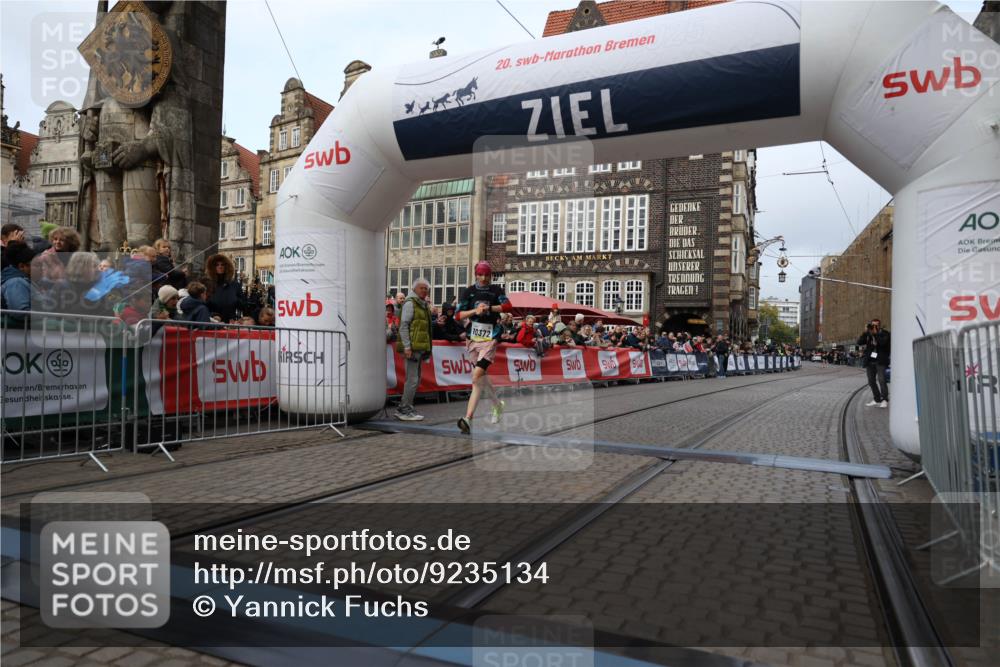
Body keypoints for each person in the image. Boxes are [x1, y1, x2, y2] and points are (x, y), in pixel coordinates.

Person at [455, 261, 511, 433]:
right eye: (480, 274)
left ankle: (468, 418)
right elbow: (458, 315)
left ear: (490, 275)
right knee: (481, 377)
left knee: (476, 377)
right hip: (473, 339)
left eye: (487, 275)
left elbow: (508, 306)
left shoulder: (496, 290)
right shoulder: (469, 291)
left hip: (490, 338)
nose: (484, 278)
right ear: (476, 275)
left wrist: (489, 308)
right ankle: (497, 404)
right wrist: (475, 311)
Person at [396, 278, 433, 421]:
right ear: (414, 289)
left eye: (426, 288)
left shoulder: (421, 304)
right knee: (412, 380)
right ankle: (404, 409)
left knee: (415, 380)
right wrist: (407, 346)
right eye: (421, 288)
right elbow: (404, 326)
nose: (424, 290)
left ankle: (406, 407)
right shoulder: (411, 303)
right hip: (412, 348)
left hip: (418, 348)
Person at [202, 254, 245, 323]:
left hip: (230, 323)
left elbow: (243, 305)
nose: (220, 267)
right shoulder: (207, 284)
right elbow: (202, 305)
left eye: (222, 264)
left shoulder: (235, 285)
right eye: (217, 265)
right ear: (213, 267)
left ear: (226, 266)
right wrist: (213, 315)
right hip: (212, 323)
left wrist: (236, 300)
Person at [858, 318, 891, 407]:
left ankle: (884, 399)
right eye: (872, 325)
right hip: (870, 361)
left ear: (879, 325)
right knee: (871, 381)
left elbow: (883, 343)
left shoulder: (885, 333)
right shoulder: (868, 334)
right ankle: (877, 399)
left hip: (880, 361)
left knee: (882, 380)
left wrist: (876, 334)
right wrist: (865, 332)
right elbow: (859, 342)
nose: (874, 327)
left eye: (876, 325)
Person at [1, 242, 37, 315]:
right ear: (22, 266)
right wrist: (46, 315)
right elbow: (21, 313)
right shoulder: (16, 282)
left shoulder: (20, 280)